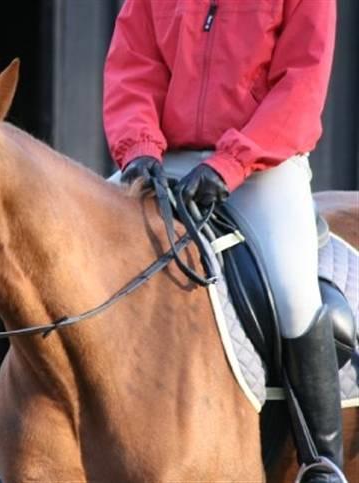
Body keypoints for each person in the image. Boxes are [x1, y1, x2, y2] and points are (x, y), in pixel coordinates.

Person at [102, 1, 343, 481]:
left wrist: (231, 162)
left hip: (263, 166)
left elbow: (300, 84)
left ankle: (321, 461)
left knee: (295, 296)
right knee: (70, 247)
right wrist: (139, 147)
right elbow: (134, 65)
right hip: (164, 158)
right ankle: (13, 449)